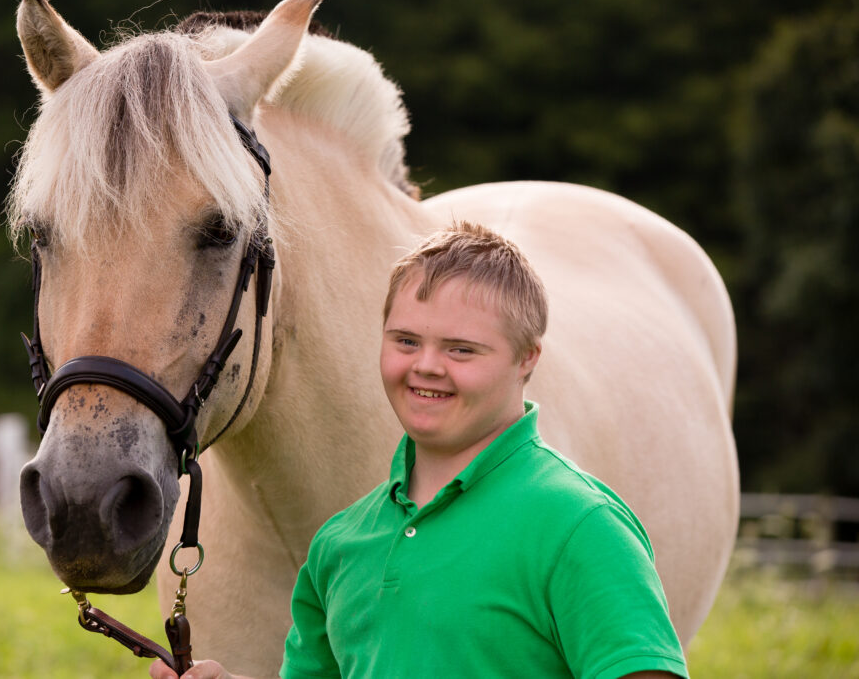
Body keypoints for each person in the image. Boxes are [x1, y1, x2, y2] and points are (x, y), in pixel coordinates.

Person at [152, 221, 688, 679]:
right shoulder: (340, 544)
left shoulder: (580, 526)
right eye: (406, 341)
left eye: (461, 349)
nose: (426, 366)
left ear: (527, 358)